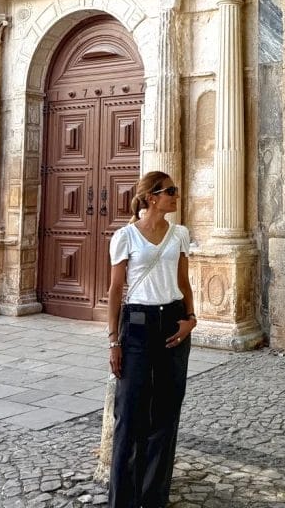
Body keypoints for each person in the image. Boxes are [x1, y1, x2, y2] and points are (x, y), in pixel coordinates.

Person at [107, 171, 196, 508]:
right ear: (152, 198)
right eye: (170, 191)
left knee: (166, 414)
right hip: (138, 325)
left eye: (176, 190)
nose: (176, 196)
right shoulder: (125, 236)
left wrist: (191, 319)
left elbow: (184, 282)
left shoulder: (180, 234)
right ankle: (123, 501)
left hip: (173, 322)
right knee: (129, 415)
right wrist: (113, 341)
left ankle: (153, 497)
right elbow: (116, 290)